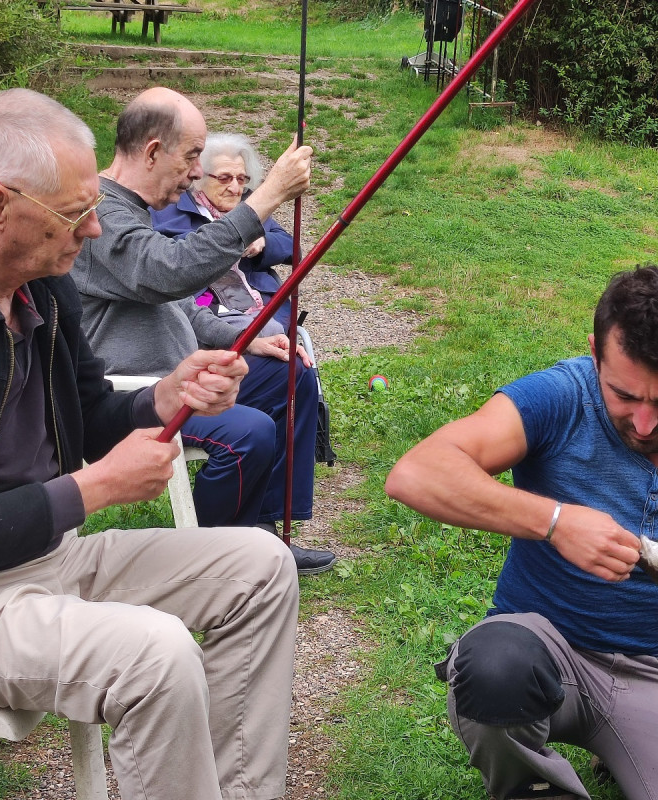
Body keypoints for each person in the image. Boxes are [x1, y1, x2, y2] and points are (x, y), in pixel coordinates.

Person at [0, 88, 300, 800]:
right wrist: (97, 488)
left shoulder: (41, 279)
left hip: (45, 559)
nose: (94, 230)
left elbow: (92, 415)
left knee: (260, 564)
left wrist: (166, 396)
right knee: (155, 655)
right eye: (75, 213)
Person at [385, 264, 658, 800]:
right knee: (494, 667)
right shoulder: (562, 395)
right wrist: (555, 522)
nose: (645, 424)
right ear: (594, 353)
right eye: (625, 396)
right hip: (547, 650)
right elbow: (416, 472)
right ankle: (530, 787)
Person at [72, 87, 336, 576]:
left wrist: (249, 340)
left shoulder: (134, 210)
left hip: (180, 372)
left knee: (289, 375)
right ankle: (210, 562)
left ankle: (260, 530)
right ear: (153, 151)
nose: (198, 171)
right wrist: (268, 194)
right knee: (249, 431)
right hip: (133, 392)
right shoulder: (102, 215)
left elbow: (176, 307)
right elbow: (170, 270)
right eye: (193, 156)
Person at [151, 131, 294, 332]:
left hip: (264, 307)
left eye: (241, 179)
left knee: (282, 344)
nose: (235, 188)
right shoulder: (169, 211)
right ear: (199, 176)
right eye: (224, 178)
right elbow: (162, 258)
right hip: (205, 313)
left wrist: (263, 241)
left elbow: (293, 250)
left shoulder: (250, 208)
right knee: (276, 347)